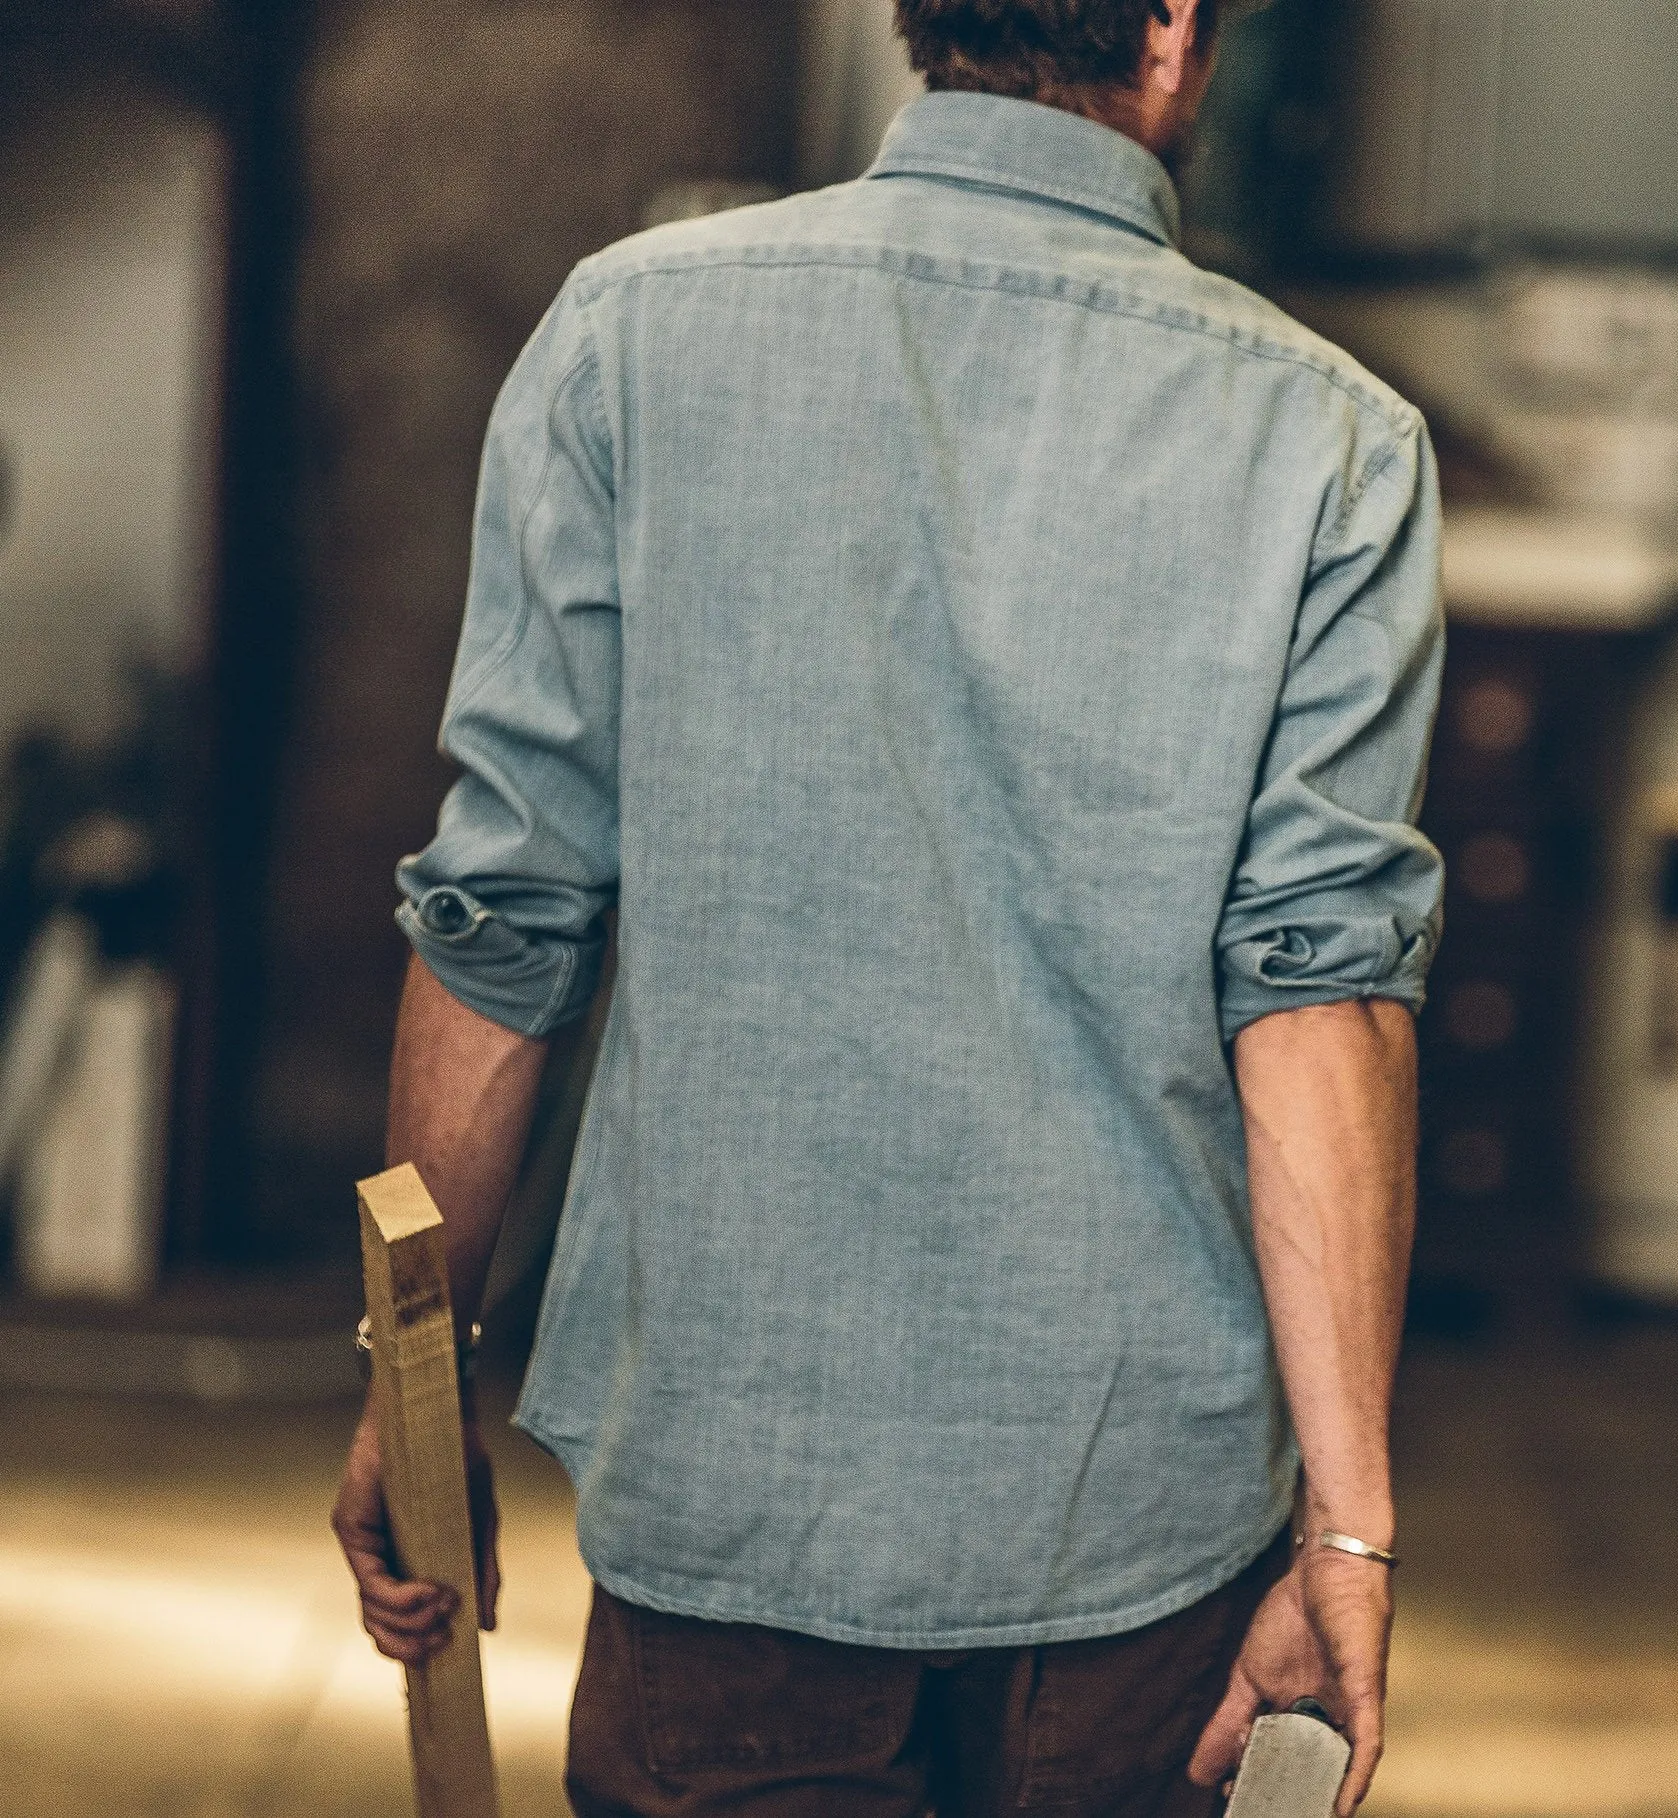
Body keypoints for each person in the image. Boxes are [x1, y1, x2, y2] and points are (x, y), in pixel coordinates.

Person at [331, 1, 1445, 1812]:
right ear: (1170, 31)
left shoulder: (630, 336)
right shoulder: (1332, 441)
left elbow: (502, 915)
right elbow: (1314, 996)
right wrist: (1350, 1530)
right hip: (1132, 1540)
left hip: (732, 1495)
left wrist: (411, 1379)